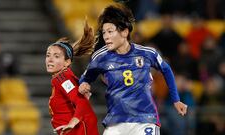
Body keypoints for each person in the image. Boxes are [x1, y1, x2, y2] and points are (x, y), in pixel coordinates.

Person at [79, 4, 187, 135]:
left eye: (110, 31)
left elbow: (166, 69)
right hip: (116, 122)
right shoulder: (100, 57)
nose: (105, 36)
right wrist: (84, 84)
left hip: (145, 119)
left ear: (124, 32)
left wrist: (176, 99)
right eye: (103, 32)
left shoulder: (146, 53)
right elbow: (86, 78)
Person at [45, 21, 99, 135]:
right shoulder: (62, 77)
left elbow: (81, 101)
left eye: (56, 56)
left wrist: (73, 122)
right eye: (48, 55)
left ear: (67, 62)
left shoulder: (62, 78)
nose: (50, 59)